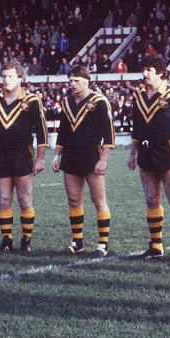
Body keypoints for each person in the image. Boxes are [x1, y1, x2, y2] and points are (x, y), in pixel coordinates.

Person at [127, 57, 170, 262]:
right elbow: (136, 128)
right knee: (151, 198)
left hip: (167, 150)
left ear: (160, 72)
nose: (145, 74)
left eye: (149, 70)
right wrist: (133, 153)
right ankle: (156, 246)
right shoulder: (138, 95)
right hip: (145, 152)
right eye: (143, 70)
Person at [0, 60, 48, 252]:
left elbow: (42, 133)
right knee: (3, 199)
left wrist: (40, 158)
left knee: (25, 199)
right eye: (4, 76)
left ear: (20, 78)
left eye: (10, 76)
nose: (6, 80)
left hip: (23, 155)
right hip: (1, 156)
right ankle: (6, 239)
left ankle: (26, 238)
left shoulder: (32, 100)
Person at [51, 66, 115, 257]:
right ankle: (77, 242)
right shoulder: (66, 102)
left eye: (76, 81)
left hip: (92, 155)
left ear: (86, 81)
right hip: (70, 156)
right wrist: (56, 155)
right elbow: (63, 132)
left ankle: (103, 244)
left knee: (98, 199)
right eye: (70, 81)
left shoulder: (100, 102)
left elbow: (109, 135)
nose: (72, 84)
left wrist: (103, 160)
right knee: (73, 200)